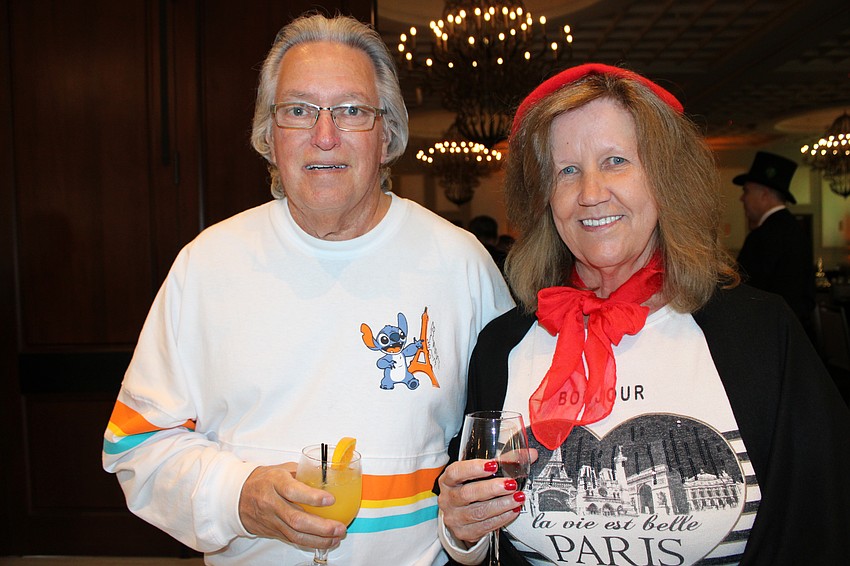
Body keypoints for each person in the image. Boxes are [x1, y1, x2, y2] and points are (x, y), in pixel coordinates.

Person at [102, 13, 513, 566]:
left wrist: (469, 534)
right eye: (298, 111)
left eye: (351, 111)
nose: (325, 136)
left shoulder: (461, 264)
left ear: (386, 134)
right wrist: (237, 497)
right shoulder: (207, 266)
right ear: (268, 136)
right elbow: (134, 446)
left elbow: (505, 447)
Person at [436, 63, 850, 565]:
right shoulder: (502, 346)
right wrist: (464, 534)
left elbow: (820, 524)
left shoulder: (762, 334)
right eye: (567, 170)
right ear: (546, 196)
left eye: (615, 161)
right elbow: (481, 522)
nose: (590, 193)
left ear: (665, 178)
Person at [735, 151, 816, 338]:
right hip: (795, 334)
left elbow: (743, 292)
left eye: (746, 191)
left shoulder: (762, 237)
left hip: (769, 335)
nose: (742, 199)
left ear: (764, 195)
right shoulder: (795, 230)